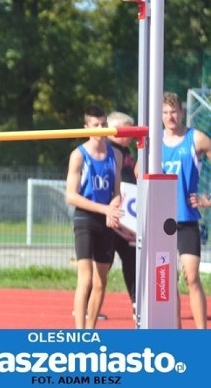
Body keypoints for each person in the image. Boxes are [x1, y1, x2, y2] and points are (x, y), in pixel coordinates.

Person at [65, 105, 123, 329]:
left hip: (106, 220)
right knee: (86, 278)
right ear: (86, 127)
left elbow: (117, 192)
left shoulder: (115, 154)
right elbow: (71, 196)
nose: (101, 129)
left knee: (101, 281)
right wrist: (104, 209)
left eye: (104, 124)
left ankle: (90, 330)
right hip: (86, 219)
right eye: (96, 125)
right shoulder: (78, 155)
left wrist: (114, 205)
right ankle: (79, 332)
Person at [160, 91, 211, 329]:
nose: (170, 116)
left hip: (186, 218)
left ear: (182, 112)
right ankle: (176, 334)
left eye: (174, 111)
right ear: (160, 115)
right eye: (165, 112)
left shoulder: (196, 138)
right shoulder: (153, 143)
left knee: (191, 277)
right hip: (161, 221)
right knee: (168, 281)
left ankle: (202, 334)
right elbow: (139, 173)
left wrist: (207, 199)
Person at [106, 110, 138, 317]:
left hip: (128, 215)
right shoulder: (106, 150)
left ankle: (137, 303)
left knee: (132, 260)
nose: (132, 134)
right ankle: (88, 306)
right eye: (128, 129)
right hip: (109, 214)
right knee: (102, 264)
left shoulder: (128, 152)